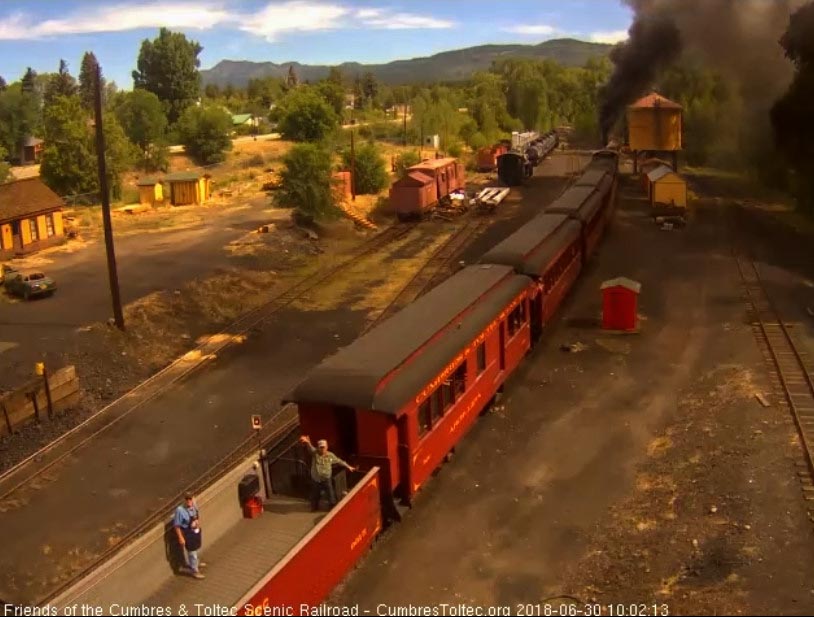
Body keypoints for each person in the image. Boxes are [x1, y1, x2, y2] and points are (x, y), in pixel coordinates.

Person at [299, 436, 356, 511]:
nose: (322, 449)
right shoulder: (315, 453)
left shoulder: (330, 455)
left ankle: (332, 508)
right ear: (318, 447)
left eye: (323, 447)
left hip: (326, 478)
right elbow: (311, 448)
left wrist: (348, 467)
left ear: (327, 447)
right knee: (315, 494)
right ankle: (314, 507)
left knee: (330, 494)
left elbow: (339, 461)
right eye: (320, 447)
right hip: (316, 479)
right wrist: (308, 442)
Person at [173, 493, 206, 579]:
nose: (189, 501)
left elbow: (196, 516)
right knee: (192, 552)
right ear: (184, 500)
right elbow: (177, 526)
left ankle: (196, 563)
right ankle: (195, 571)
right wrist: (181, 537)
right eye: (187, 499)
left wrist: (198, 524)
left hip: (195, 531)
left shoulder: (194, 505)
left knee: (196, 548)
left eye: (190, 499)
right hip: (187, 533)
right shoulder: (180, 510)